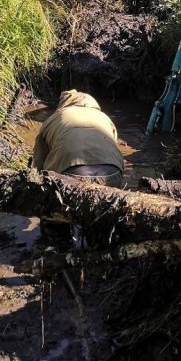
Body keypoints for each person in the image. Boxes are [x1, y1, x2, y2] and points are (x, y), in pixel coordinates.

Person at [32, 90, 125, 246]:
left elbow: (38, 165)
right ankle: (101, 245)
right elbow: (111, 152)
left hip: (71, 175)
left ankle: (56, 246)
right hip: (112, 173)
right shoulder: (105, 118)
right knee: (102, 218)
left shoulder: (54, 118)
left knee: (55, 215)